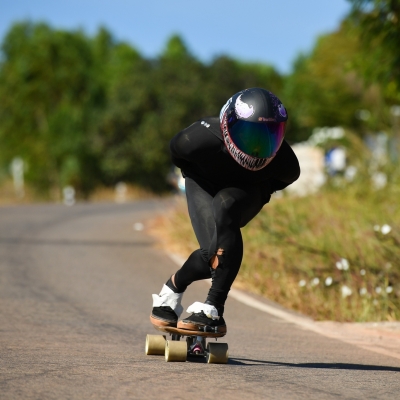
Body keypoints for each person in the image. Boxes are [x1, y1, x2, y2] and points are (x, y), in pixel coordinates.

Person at [150, 88, 300, 334]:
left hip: (247, 189)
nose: (257, 148)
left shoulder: (286, 163)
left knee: (226, 205)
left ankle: (213, 309)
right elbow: (178, 156)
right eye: (250, 136)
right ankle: (171, 290)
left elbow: (282, 180)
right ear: (227, 126)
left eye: (268, 137)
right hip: (202, 183)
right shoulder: (195, 139)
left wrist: (258, 194)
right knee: (212, 252)